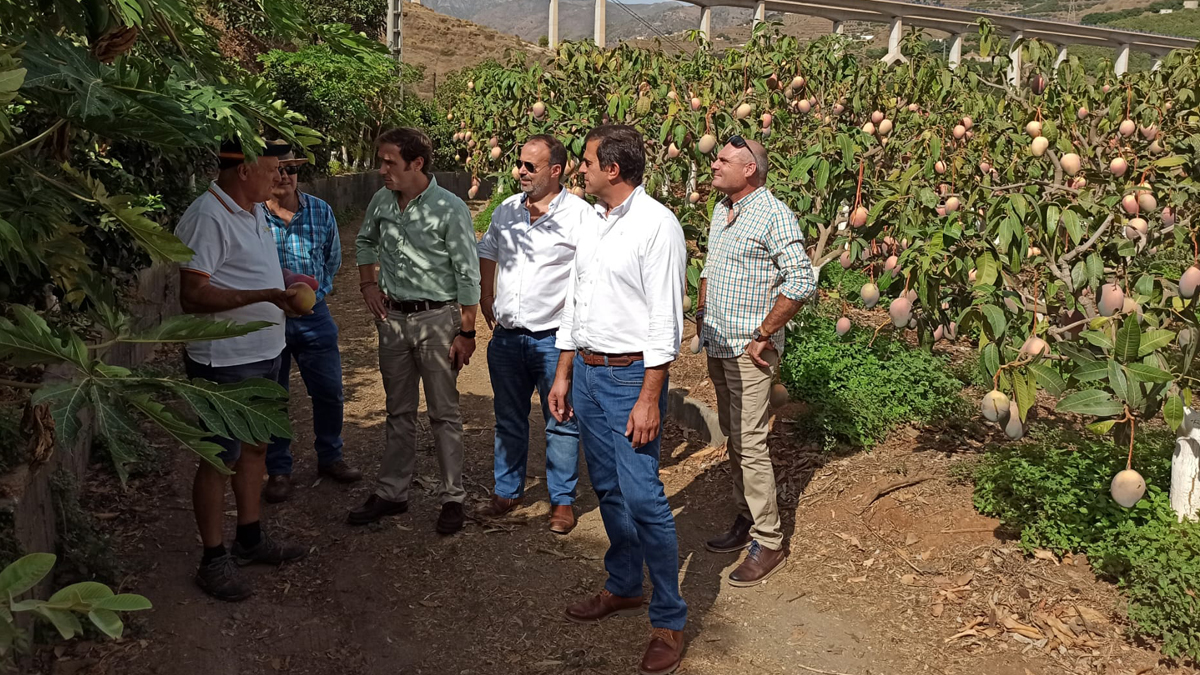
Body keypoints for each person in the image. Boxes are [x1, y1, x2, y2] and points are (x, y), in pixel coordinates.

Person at [548, 125, 688, 675]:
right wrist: (563, 374)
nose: (579, 170)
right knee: (606, 486)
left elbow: (664, 322)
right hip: (587, 372)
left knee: (645, 498)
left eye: (585, 162)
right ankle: (626, 585)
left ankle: (669, 619)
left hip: (631, 378)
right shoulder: (596, 223)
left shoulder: (658, 227)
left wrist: (649, 398)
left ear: (613, 169)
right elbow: (575, 304)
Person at [175, 138, 308, 601]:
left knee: (255, 447)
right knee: (219, 458)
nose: (279, 178)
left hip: (265, 350)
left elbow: (250, 274)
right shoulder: (207, 216)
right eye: (273, 169)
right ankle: (212, 560)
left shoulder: (250, 210)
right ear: (245, 169)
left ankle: (249, 539)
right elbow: (192, 295)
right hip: (226, 359)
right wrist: (265, 297)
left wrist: (283, 287)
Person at [697, 136, 816, 586]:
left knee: (749, 442)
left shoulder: (774, 215)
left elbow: (802, 280)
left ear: (749, 169)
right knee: (734, 435)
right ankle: (746, 517)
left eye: (723, 160)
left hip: (751, 351)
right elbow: (711, 265)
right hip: (719, 343)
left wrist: (764, 333)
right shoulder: (721, 209)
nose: (714, 164)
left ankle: (769, 540)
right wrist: (703, 311)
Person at [350, 127, 481, 535]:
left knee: (444, 413)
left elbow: (467, 273)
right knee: (398, 411)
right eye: (380, 160)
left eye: (390, 161)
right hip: (393, 320)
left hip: (436, 320)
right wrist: (368, 284)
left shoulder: (449, 208)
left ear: (417, 163)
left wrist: (467, 331)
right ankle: (393, 493)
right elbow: (365, 242)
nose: (381, 169)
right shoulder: (381, 201)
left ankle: (452, 497)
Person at [477, 135, 587, 534]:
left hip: (553, 337)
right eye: (519, 164)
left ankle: (561, 501)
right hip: (507, 338)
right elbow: (487, 250)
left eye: (529, 166)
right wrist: (486, 294)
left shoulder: (579, 215)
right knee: (508, 417)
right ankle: (507, 490)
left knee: (561, 419)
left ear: (555, 171)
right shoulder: (507, 211)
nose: (520, 171)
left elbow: (589, 273)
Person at [262, 146, 362, 503]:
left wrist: (315, 294)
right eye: (277, 170)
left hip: (313, 315)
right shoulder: (252, 216)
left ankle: (331, 457)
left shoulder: (321, 212)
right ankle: (277, 469)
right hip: (267, 317)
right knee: (273, 396)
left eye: (290, 170)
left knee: (329, 390)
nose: (284, 177)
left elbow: (332, 260)